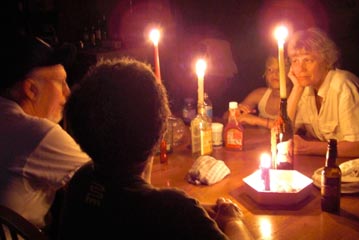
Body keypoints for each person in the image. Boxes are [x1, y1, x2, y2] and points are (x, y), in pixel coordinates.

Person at [58, 58, 254, 240]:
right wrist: (233, 221)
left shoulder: (81, 181)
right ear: (161, 132)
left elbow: (126, 205)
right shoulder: (175, 211)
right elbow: (150, 209)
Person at [0, 33, 91, 235]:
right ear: (31, 90)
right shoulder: (37, 134)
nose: (68, 92)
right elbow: (107, 180)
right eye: (61, 83)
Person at [287, 27, 359, 157]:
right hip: (328, 166)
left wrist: (310, 148)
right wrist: (297, 88)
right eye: (295, 61)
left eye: (308, 60)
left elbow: (357, 146)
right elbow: (281, 131)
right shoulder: (306, 88)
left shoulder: (343, 85)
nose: (300, 68)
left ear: (326, 61)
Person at [223, 56, 290, 129]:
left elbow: (285, 128)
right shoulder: (259, 94)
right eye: (270, 70)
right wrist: (234, 113)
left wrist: (256, 120)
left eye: (280, 69)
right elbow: (225, 117)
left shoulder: (299, 97)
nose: (274, 74)